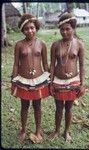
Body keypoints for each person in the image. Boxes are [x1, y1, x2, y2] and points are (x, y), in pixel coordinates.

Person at [11, 13, 50, 143]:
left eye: (32, 27)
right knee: (24, 106)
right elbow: (16, 64)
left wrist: (52, 78)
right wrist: (13, 80)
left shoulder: (42, 44)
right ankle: (23, 129)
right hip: (23, 80)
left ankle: (38, 130)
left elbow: (45, 64)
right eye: (26, 28)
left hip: (39, 80)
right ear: (22, 30)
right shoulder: (19, 45)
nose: (30, 30)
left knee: (37, 106)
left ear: (36, 27)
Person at [50, 12, 85, 142]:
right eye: (62, 29)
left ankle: (66, 132)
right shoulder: (55, 45)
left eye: (67, 29)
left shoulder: (79, 44)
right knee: (58, 107)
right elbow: (52, 65)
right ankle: (57, 131)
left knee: (69, 107)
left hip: (73, 81)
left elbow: (81, 66)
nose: (64, 32)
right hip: (58, 81)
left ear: (73, 28)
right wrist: (51, 82)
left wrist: (82, 84)